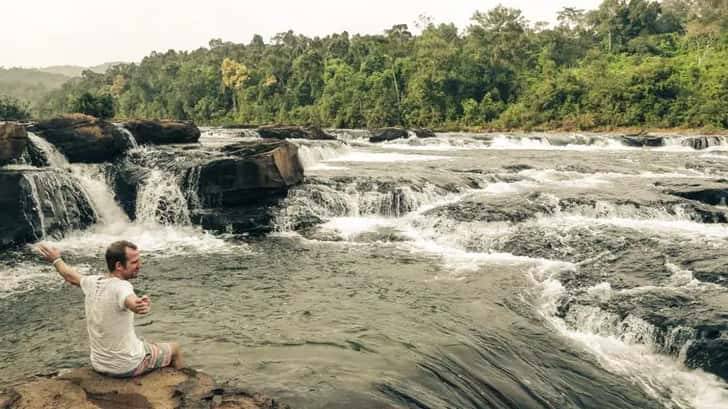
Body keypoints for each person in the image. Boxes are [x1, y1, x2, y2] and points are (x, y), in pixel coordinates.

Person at [36, 240, 184, 377]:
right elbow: (129, 300)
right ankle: (183, 384)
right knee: (175, 348)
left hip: (99, 364)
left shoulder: (93, 282)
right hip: (126, 366)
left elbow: (69, 275)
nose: (140, 265)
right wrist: (138, 305)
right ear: (119, 266)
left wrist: (56, 259)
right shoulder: (122, 286)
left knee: (143, 342)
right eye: (134, 262)